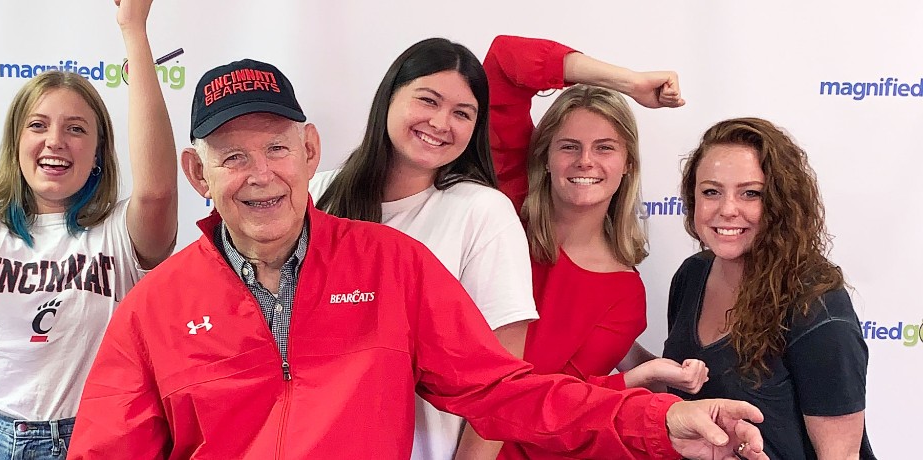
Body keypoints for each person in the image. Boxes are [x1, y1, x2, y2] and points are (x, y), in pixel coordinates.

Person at [65, 58, 770, 460]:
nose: (260, 173)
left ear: (310, 152)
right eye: (234, 157)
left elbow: (503, 392)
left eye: (278, 148)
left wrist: (657, 421)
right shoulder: (153, 306)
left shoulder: (390, 265)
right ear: (198, 173)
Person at [0, 0, 178, 457]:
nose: (55, 140)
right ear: (16, 143)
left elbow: (159, 193)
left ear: (99, 153)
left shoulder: (120, 234)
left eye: (76, 129)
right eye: (38, 125)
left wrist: (134, 30)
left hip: (88, 438)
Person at [484, 34, 711, 459]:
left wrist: (642, 377)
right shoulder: (506, 201)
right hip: (419, 428)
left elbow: (560, 408)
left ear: (627, 164)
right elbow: (502, 61)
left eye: (604, 147)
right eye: (569, 146)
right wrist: (628, 83)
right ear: (545, 157)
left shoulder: (623, 294)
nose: (585, 161)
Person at [310, 38, 538, 460]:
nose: (440, 122)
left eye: (462, 113)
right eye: (428, 100)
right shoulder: (317, 192)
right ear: (389, 97)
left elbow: (503, 386)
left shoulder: (482, 212)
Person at [662, 117, 876, 459]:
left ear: (780, 202)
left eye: (750, 193)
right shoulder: (692, 274)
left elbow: (841, 455)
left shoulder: (816, 305)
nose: (727, 209)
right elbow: (682, 392)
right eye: (711, 192)